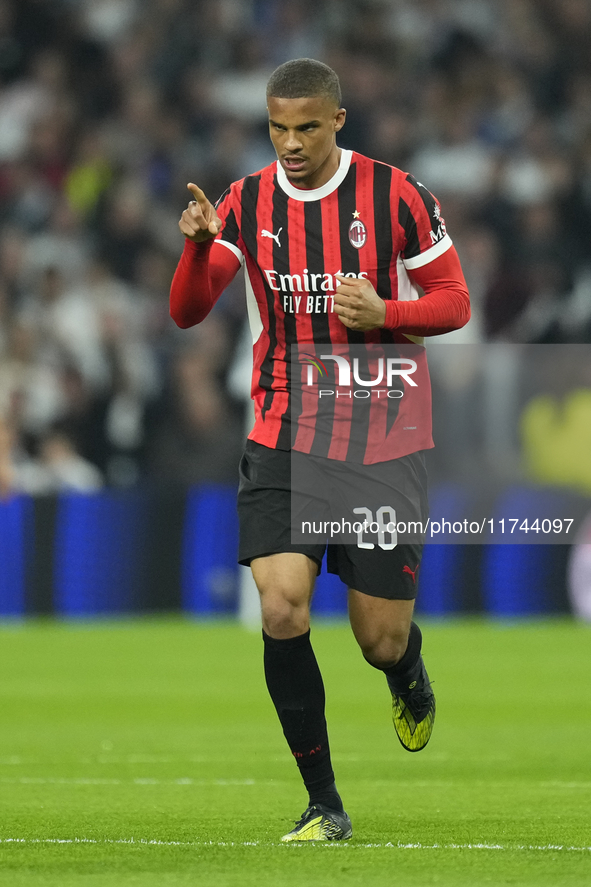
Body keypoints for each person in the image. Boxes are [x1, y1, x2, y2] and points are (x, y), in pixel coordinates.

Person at [170, 58, 470, 842]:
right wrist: (199, 250)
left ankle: (405, 672)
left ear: (338, 120)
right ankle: (323, 803)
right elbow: (186, 311)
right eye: (277, 127)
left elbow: (454, 301)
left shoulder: (397, 194)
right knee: (280, 606)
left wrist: (386, 309)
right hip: (284, 428)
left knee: (380, 638)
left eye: (306, 126)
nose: (290, 142)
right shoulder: (246, 202)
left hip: (379, 433)